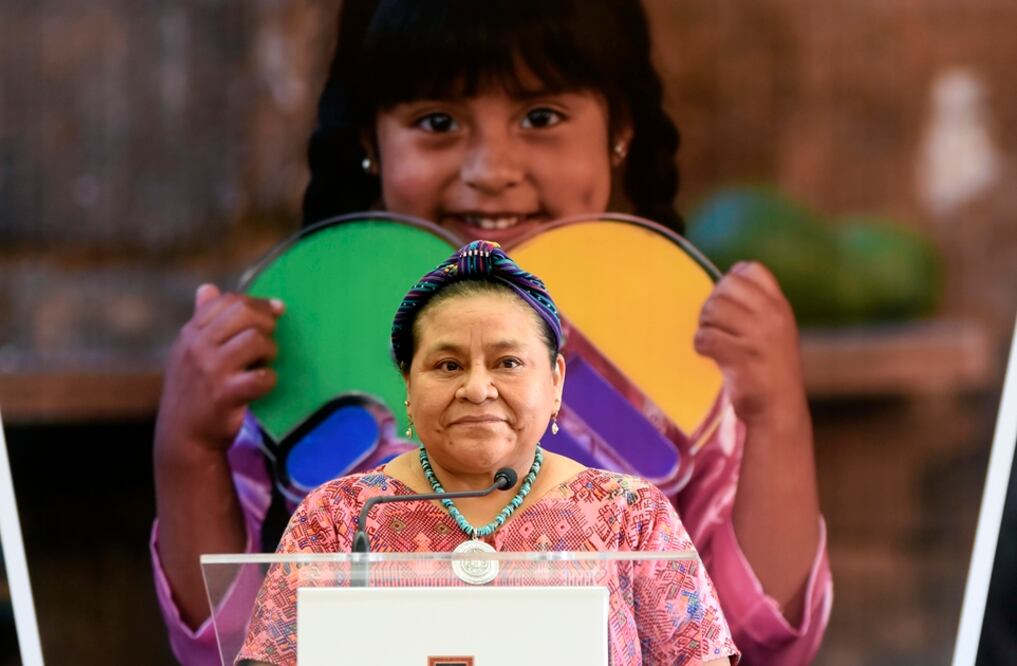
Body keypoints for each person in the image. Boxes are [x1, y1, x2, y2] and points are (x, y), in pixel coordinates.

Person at [152, 1, 831, 663]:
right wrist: (187, 446)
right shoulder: (301, 352)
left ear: (618, 131)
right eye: (437, 122)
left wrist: (776, 416)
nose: (490, 171)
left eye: (540, 117)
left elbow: (757, 643)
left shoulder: (679, 350)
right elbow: (229, 644)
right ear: (369, 143)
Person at [237, 240, 739, 665]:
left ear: (556, 382)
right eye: (448, 365)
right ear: (408, 385)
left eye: (508, 362)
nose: (477, 389)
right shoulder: (339, 517)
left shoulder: (630, 516)